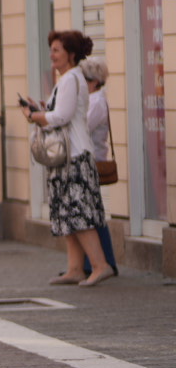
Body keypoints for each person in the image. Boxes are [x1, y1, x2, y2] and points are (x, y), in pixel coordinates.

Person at [20, 30, 113, 287]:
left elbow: (61, 117)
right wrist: (41, 109)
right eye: (51, 49)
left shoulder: (72, 79)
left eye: (57, 50)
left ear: (71, 55)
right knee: (67, 215)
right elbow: (60, 112)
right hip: (66, 158)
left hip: (75, 156)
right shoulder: (66, 80)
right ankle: (74, 268)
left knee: (79, 213)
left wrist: (34, 116)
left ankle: (100, 265)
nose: (52, 55)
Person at [79, 57, 117, 277]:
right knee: (92, 212)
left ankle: (105, 261)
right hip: (90, 159)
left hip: (93, 161)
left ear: (93, 82)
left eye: (84, 80)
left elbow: (82, 126)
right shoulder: (92, 100)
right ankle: (97, 262)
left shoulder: (95, 103)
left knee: (92, 214)